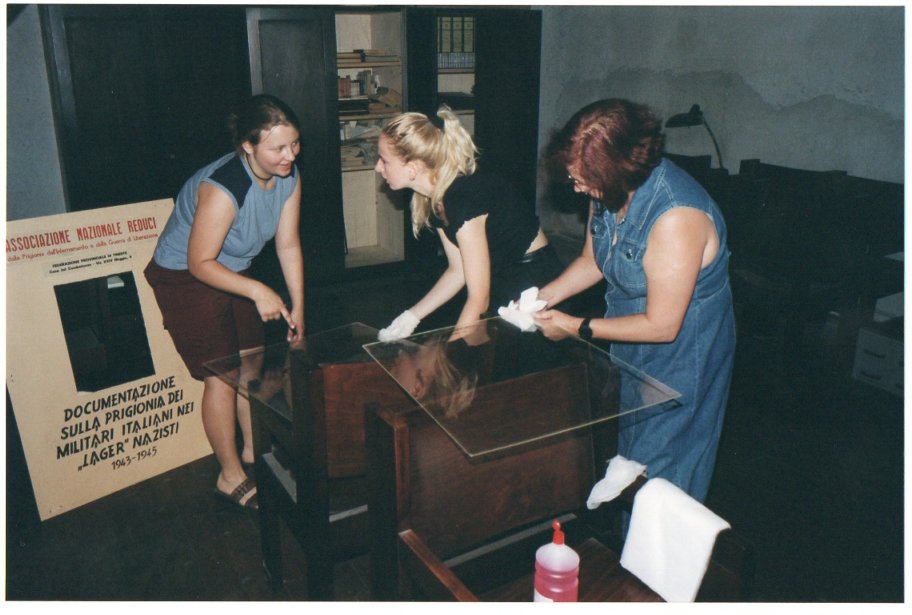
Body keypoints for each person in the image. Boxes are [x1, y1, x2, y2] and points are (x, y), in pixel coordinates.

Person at [533, 98, 735, 503]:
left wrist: (573, 327)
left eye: (582, 179)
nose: (577, 187)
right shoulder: (608, 187)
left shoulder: (676, 217)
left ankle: (656, 544)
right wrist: (544, 296)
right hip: (630, 339)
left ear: (617, 169)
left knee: (663, 470)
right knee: (629, 458)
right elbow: (593, 260)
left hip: (682, 353)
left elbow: (662, 326)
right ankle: (631, 539)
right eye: (573, 177)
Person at [144, 94, 305, 510]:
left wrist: (298, 307)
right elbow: (199, 263)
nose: (290, 155)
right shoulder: (224, 187)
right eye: (278, 148)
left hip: (231, 270)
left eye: (294, 143)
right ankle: (228, 474)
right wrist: (257, 290)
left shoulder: (287, 175)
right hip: (184, 276)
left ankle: (253, 451)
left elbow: (288, 244)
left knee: (251, 360)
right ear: (248, 146)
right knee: (222, 373)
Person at [374, 105, 563, 341]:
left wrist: (452, 352)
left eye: (384, 161)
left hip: (533, 280)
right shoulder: (435, 196)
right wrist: (411, 317)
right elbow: (458, 271)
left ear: (413, 168)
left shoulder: (462, 201)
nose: (378, 167)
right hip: (502, 276)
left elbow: (478, 299)